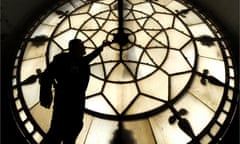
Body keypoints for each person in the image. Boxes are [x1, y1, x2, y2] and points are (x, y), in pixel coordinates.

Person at [39, 39, 110, 144]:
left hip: (66, 103)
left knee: (59, 132)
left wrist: (47, 94)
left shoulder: (65, 59)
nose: (84, 48)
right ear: (75, 48)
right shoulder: (69, 60)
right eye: (82, 46)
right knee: (66, 132)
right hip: (72, 104)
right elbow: (46, 76)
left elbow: (46, 76)